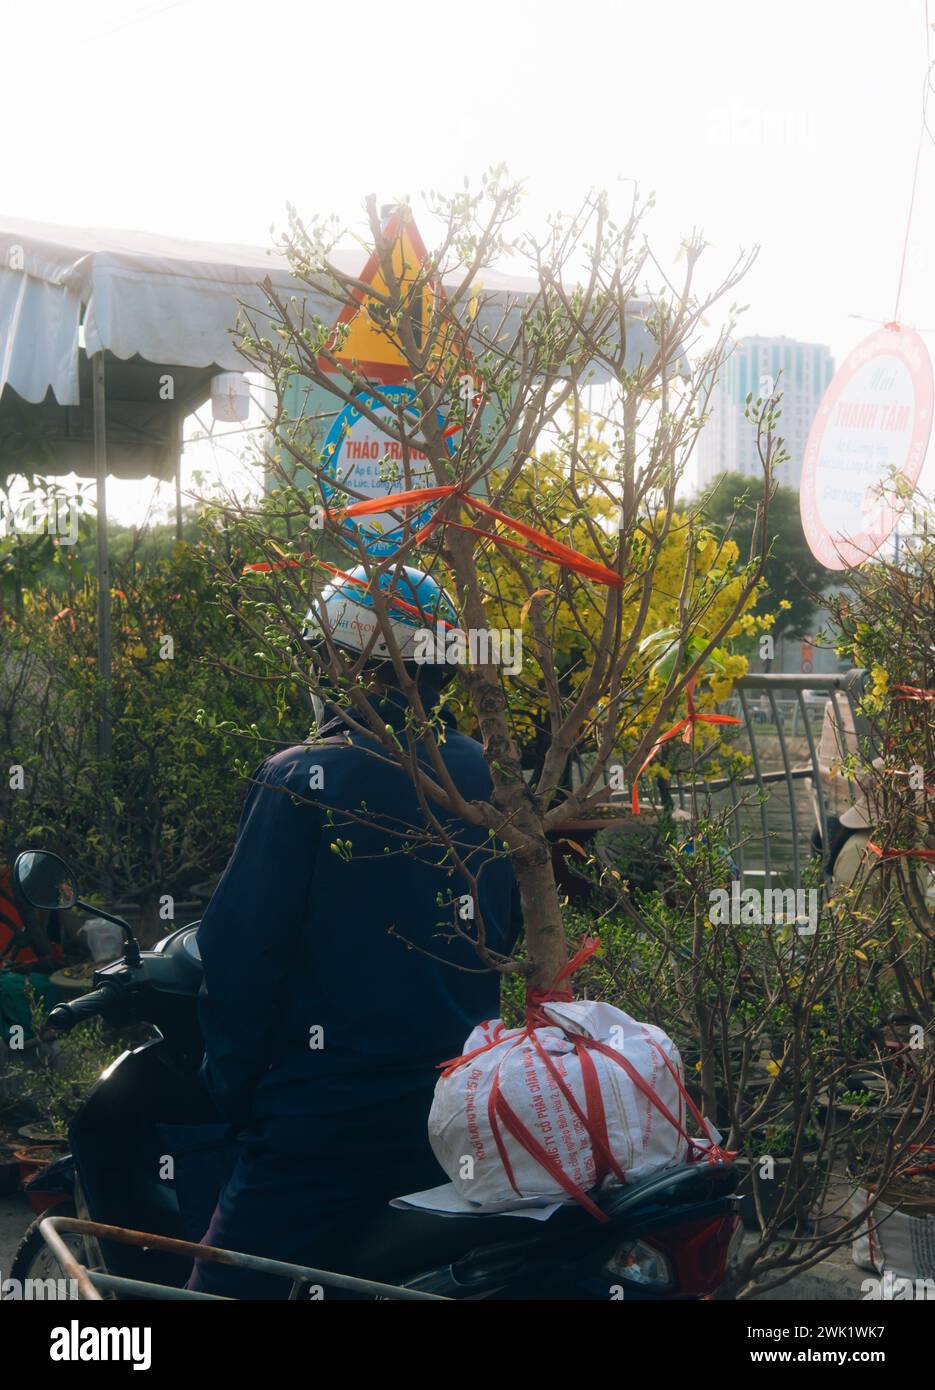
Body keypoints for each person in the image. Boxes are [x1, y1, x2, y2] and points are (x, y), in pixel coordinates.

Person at [187, 566, 520, 1297]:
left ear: (344, 665)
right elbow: (507, 934)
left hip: (323, 1119)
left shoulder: (301, 776)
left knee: (220, 1287)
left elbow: (240, 959)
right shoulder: (488, 776)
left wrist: (235, 1097)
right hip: (456, 1110)